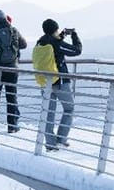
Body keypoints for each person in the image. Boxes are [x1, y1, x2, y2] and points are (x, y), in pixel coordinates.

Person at [32, 19, 84, 150]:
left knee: (48, 114)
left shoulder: (40, 42)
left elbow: (54, 43)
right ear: (54, 30)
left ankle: (50, 144)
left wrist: (62, 35)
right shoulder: (56, 43)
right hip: (59, 82)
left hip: (45, 82)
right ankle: (61, 139)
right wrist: (74, 35)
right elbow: (76, 50)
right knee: (69, 108)